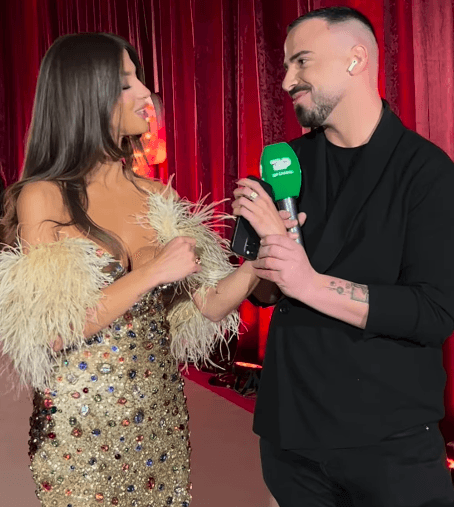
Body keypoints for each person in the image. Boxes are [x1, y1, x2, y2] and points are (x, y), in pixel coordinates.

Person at [0, 33, 285, 506]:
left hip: (159, 420)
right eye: (125, 82)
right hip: (77, 431)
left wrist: (263, 255)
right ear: (85, 94)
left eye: (139, 79)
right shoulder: (43, 197)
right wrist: (153, 272)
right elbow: (53, 331)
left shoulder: (158, 197)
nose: (145, 93)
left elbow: (212, 305)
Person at [232, 6, 454, 507]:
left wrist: (309, 283)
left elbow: (434, 312)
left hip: (389, 442)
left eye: (302, 61)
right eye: (285, 65)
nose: (286, 80)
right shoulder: (285, 163)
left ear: (356, 59)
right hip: (291, 437)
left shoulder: (428, 172)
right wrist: (268, 259)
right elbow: (265, 293)